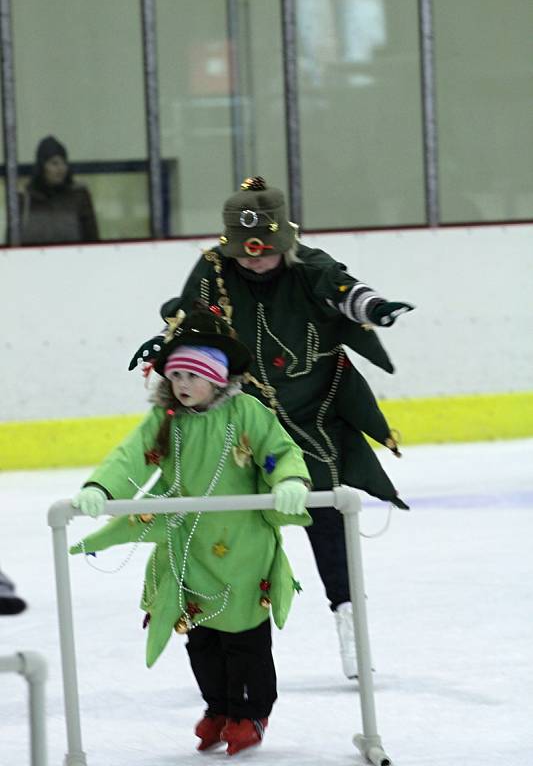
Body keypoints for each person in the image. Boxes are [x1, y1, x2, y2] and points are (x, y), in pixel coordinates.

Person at [129, 175, 414, 679]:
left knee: (326, 523)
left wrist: (377, 308)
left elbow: (346, 291)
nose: (253, 260)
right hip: (240, 426)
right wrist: (163, 345)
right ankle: (225, 642)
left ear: (285, 240)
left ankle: (351, 629)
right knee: (234, 532)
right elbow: (190, 324)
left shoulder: (310, 267)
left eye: (263, 251)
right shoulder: (214, 270)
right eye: (244, 252)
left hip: (311, 424)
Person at [70, 302, 311, 756]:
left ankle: (251, 711)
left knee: (244, 638)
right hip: (185, 548)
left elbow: (278, 451)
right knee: (200, 636)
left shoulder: (247, 412)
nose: (181, 386)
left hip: (243, 547)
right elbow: (132, 455)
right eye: (175, 376)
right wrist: (101, 485)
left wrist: (290, 480)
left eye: (192, 376)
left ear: (218, 376)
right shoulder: (166, 421)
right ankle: (218, 706)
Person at [18, 135, 99, 245]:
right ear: (42, 166)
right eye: (54, 163)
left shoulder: (79, 196)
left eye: (64, 163)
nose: (61, 169)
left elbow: (92, 239)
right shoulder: (25, 198)